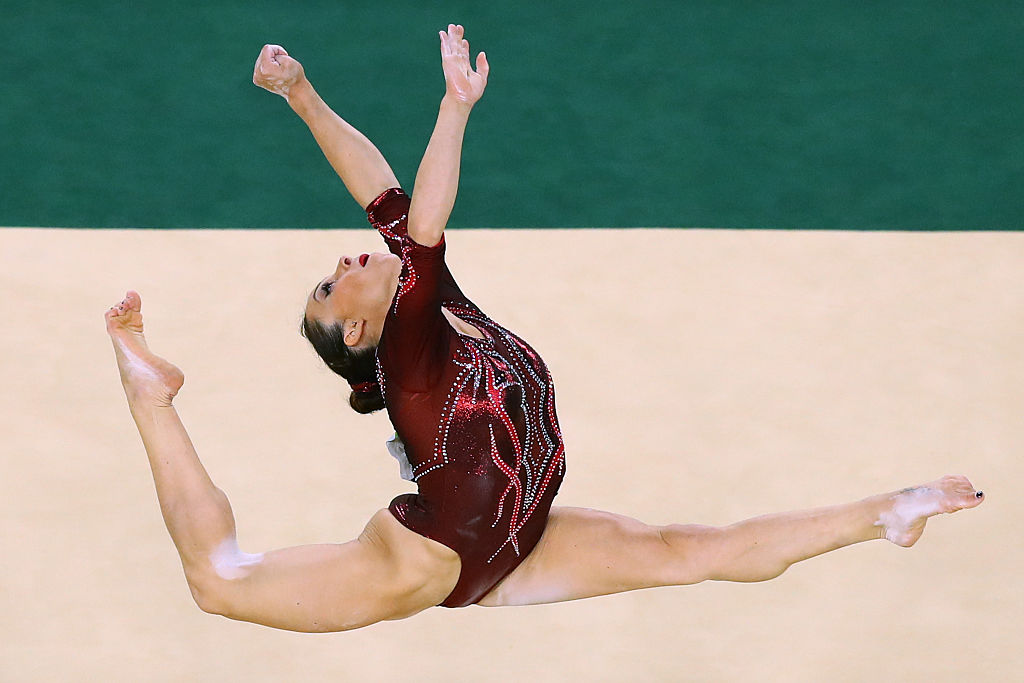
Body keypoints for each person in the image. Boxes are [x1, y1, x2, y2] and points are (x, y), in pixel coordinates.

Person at [104, 24, 984, 632]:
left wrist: (299, 92)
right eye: (333, 288)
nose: (344, 263)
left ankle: (887, 510)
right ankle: (152, 394)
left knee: (691, 551)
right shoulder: (410, 337)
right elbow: (423, 215)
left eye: (332, 271)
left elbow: (380, 192)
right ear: (364, 333)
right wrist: (454, 109)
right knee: (219, 581)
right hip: (434, 558)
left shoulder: (429, 296)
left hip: (520, 533)